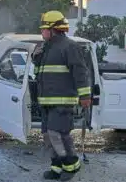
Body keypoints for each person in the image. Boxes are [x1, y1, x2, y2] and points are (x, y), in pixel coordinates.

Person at [31, 10, 91, 181]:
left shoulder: (69, 46)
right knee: (48, 136)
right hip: (47, 102)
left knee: (58, 134)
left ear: (53, 29)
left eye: (43, 29)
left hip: (63, 101)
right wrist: (37, 59)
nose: (41, 32)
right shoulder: (45, 48)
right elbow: (39, 74)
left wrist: (85, 96)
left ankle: (72, 165)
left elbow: (81, 72)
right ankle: (56, 167)